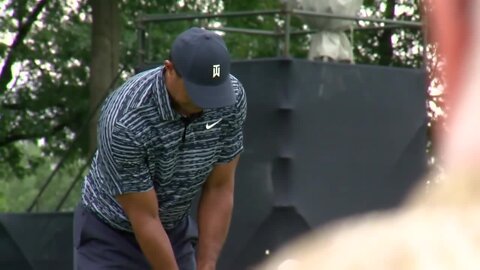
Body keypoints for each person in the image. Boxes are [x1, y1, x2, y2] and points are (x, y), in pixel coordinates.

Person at [73, 27, 247, 270]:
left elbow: (219, 187)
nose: (209, 102)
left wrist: (207, 264)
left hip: (174, 229)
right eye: (199, 90)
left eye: (214, 91)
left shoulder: (231, 100)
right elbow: (145, 218)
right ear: (170, 69)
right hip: (110, 236)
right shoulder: (125, 120)